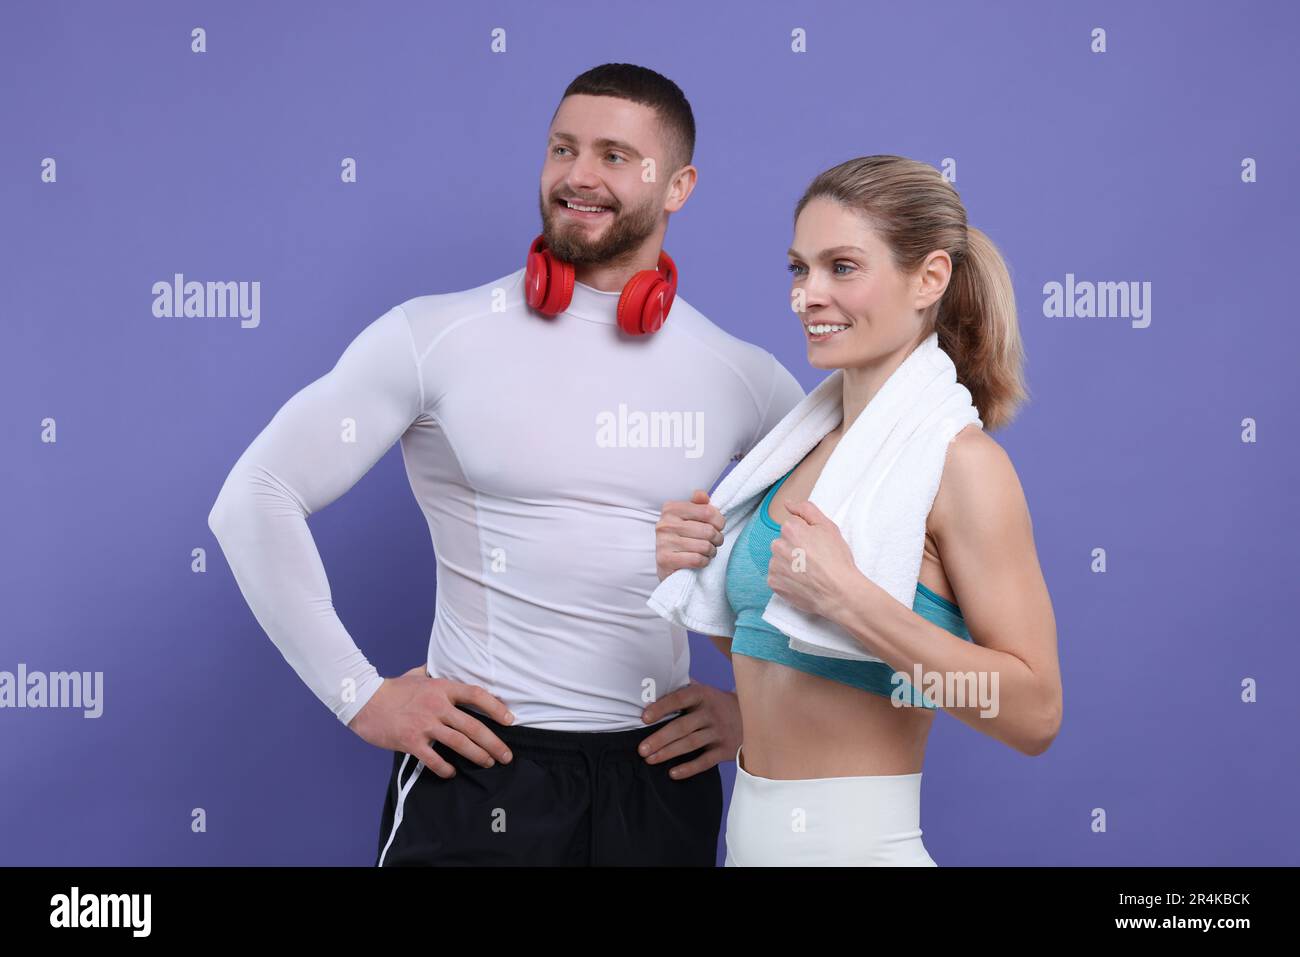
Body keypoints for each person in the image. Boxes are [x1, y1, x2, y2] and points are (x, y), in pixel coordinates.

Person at [205, 63, 806, 866]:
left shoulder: (742, 374)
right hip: (483, 776)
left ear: (678, 185)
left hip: (658, 784)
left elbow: (833, 568)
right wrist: (361, 695)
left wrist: (755, 713)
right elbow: (254, 496)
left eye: (615, 156)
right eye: (563, 149)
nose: (579, 175)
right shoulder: (437, 334)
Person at [652, 155, 1063, 866]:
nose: (808, 294)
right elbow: (784, 644)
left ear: (929, 279)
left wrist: (851, 600)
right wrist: (698, 562)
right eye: (799, 269)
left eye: (842, 267)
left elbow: (1034, 714)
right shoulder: (802, 455)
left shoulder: (962, 464)